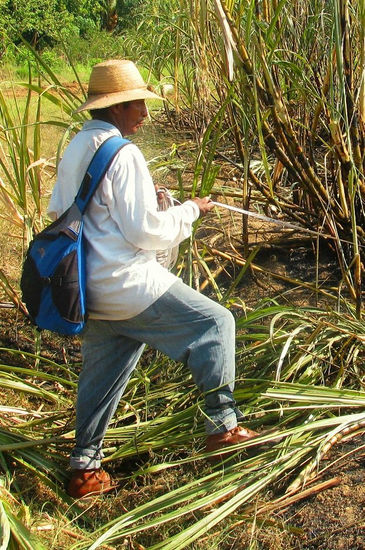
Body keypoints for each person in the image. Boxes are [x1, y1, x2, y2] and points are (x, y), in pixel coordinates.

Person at [48, 59, 258, 499]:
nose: (144, 111)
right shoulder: (124, 153)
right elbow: (144, 231)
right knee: (216, 324)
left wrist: (149, 203)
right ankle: (222, 428)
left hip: (88, 290)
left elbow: (64, 215)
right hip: (128, 285)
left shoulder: (76, 147)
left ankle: (84, 467)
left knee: (103, 374)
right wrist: (190, 211)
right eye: (137, 103)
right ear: (116, 108)